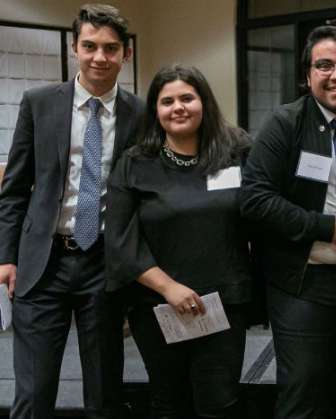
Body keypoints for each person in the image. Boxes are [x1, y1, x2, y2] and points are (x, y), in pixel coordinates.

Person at [240, 25, 336, 419]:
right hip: (303, 282)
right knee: (303, 392)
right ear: (308, 74)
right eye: (324, 65)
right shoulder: (284, 124)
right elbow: (255, 200)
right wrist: (328, 227)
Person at [0, 4, 143, 418]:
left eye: (111, 48)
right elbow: (13, 191)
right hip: (43, 263)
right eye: (90, 46)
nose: (100, 57)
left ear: (125, 54)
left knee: (104, 391)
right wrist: (6, 257)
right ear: (74, 48)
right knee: (34, 391)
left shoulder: (141, 113)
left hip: (104, 263)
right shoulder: (39, 102)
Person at [105, 64, 252, 419]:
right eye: (167, 101)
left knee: (220, 402)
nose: (178, 107)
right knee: (168, 402)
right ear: (155, 110)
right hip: (157, 305)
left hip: (224, 304)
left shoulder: (238, 150)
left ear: (204, 101)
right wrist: (169, 288)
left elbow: (267, 208)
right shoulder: (136, 162)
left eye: (187, 97)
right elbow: (120, 238)